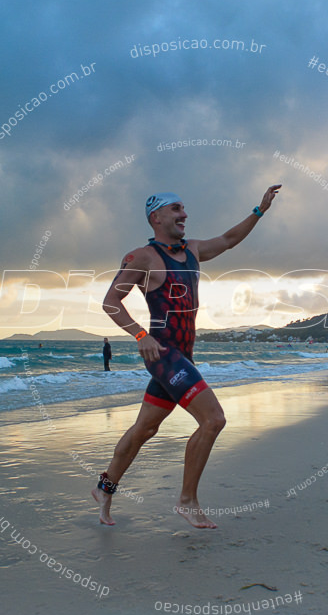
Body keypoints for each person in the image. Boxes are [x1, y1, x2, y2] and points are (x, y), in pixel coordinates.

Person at [94, 185, 282, 529]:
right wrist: (140, 334)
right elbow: (110, 302)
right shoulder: (142, 258)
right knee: (213, 420)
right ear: (157, 217)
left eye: (184, 209)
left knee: (144, 429)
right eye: (177, 209)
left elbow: (227, 240)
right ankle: (187, 500)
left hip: (183, 356)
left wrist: (259, 210)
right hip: (163, 354)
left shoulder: (192, 250)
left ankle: (105, 488)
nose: (184, 215)